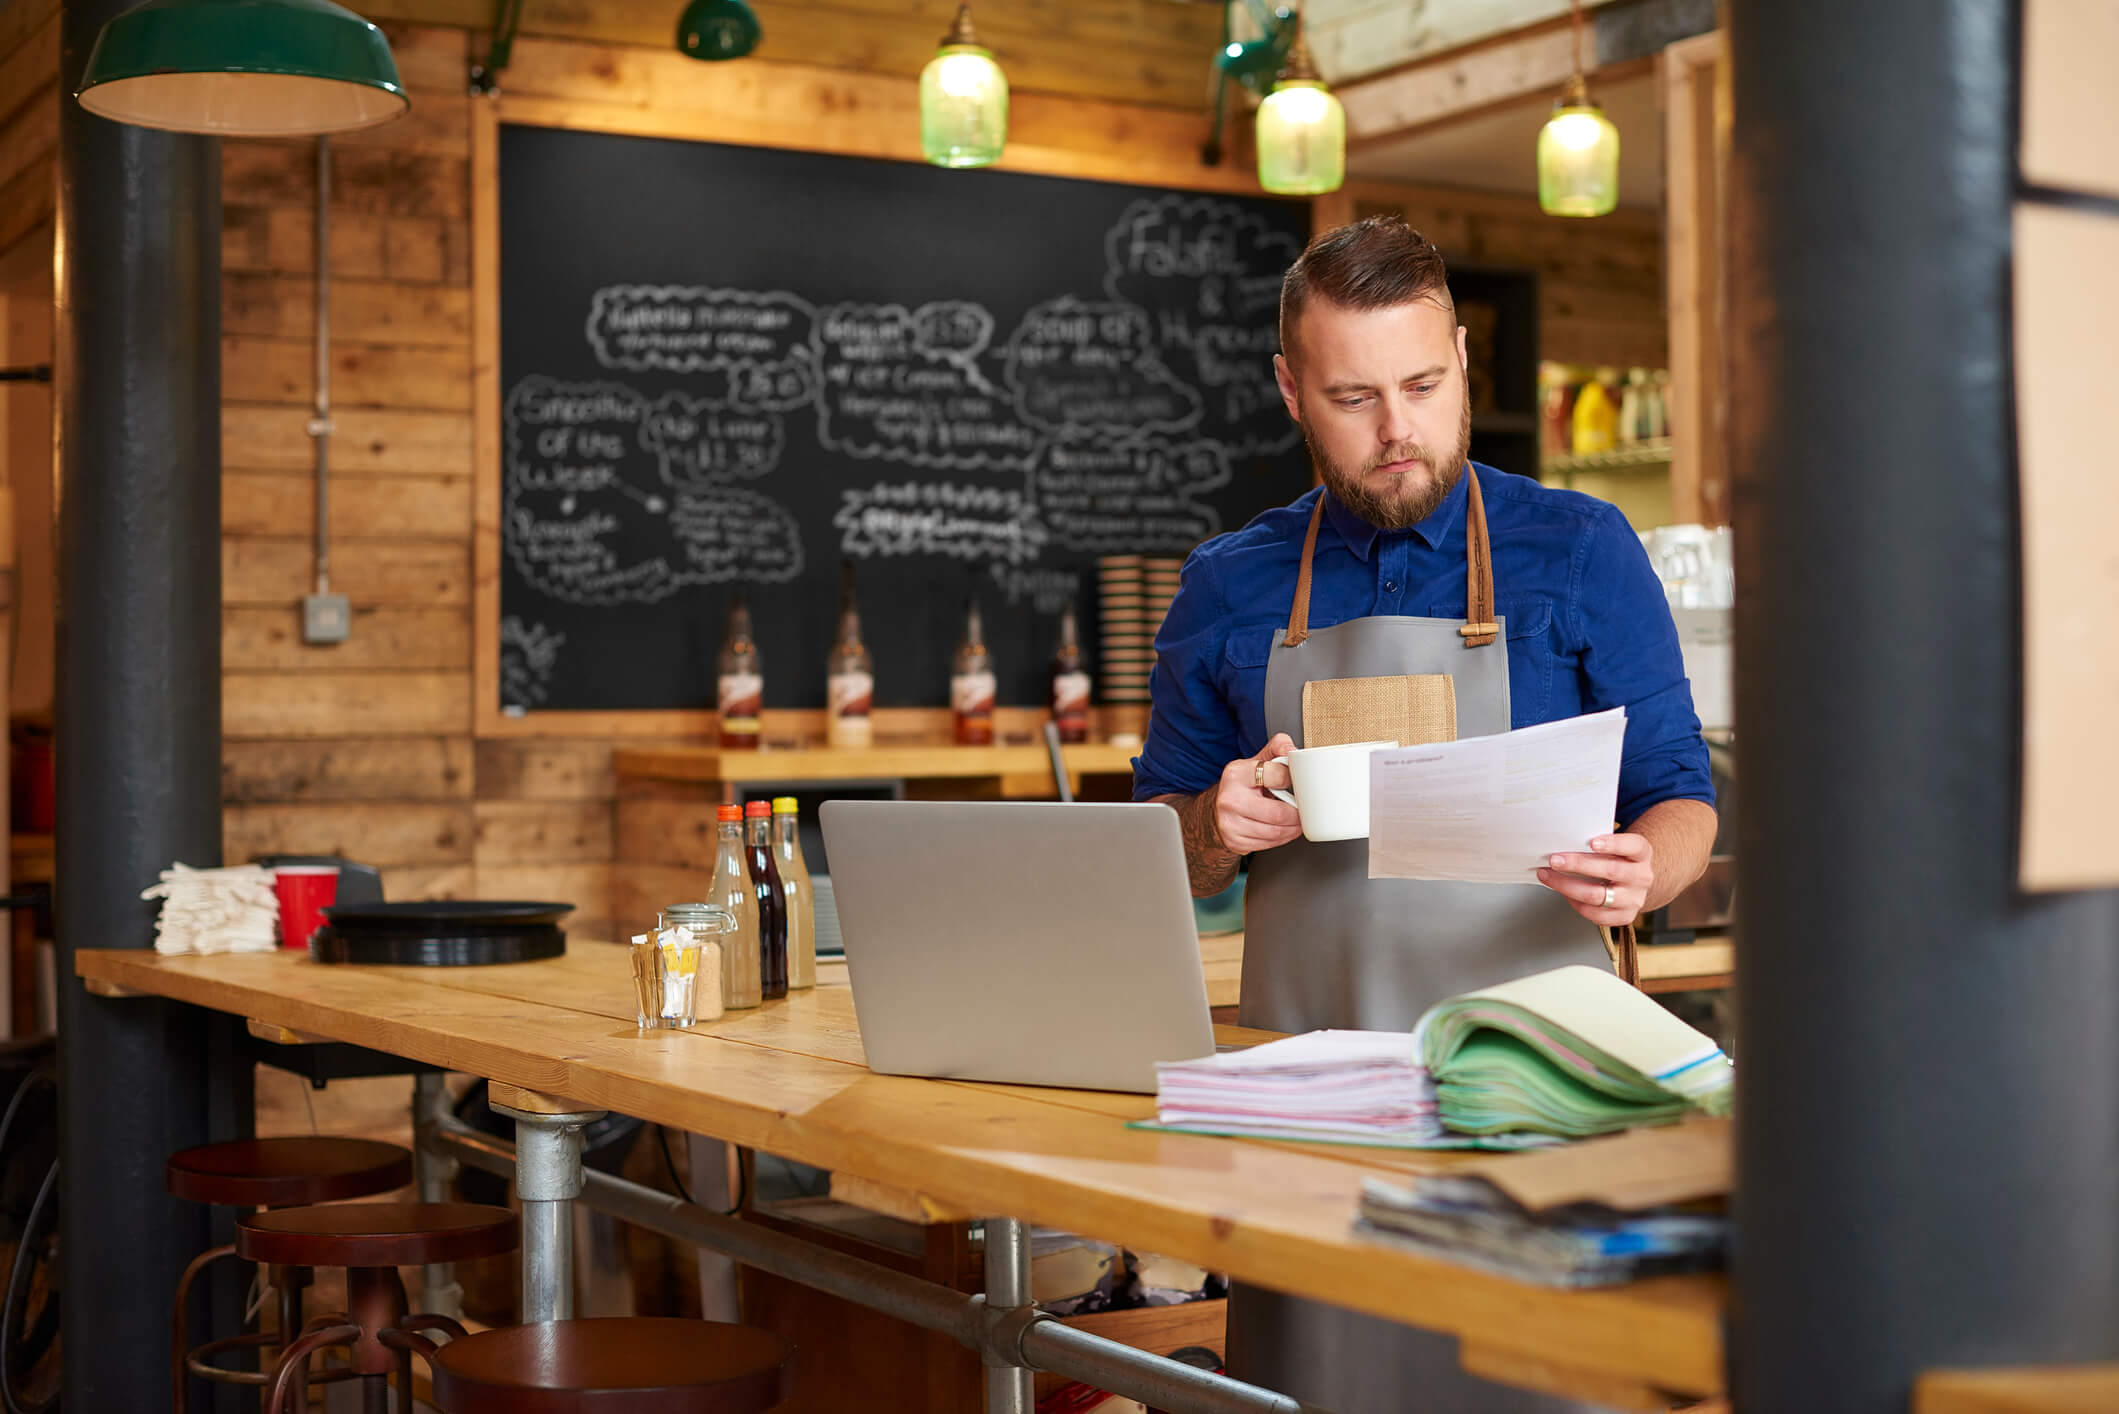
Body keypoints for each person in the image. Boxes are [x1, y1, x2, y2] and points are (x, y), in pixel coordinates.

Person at [1133, 216, 1718, 1412]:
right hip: (1309, 1109)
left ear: (1460, 356)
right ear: (1291, 388)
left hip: (1537, 1091)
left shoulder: (1581, 549)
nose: (1397, 429)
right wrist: (1214, 827)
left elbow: (1679, 797)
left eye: (1424, 384)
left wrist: (1641, 873)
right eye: (1353, 396)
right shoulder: (1229, 585)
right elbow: (1154, 858)